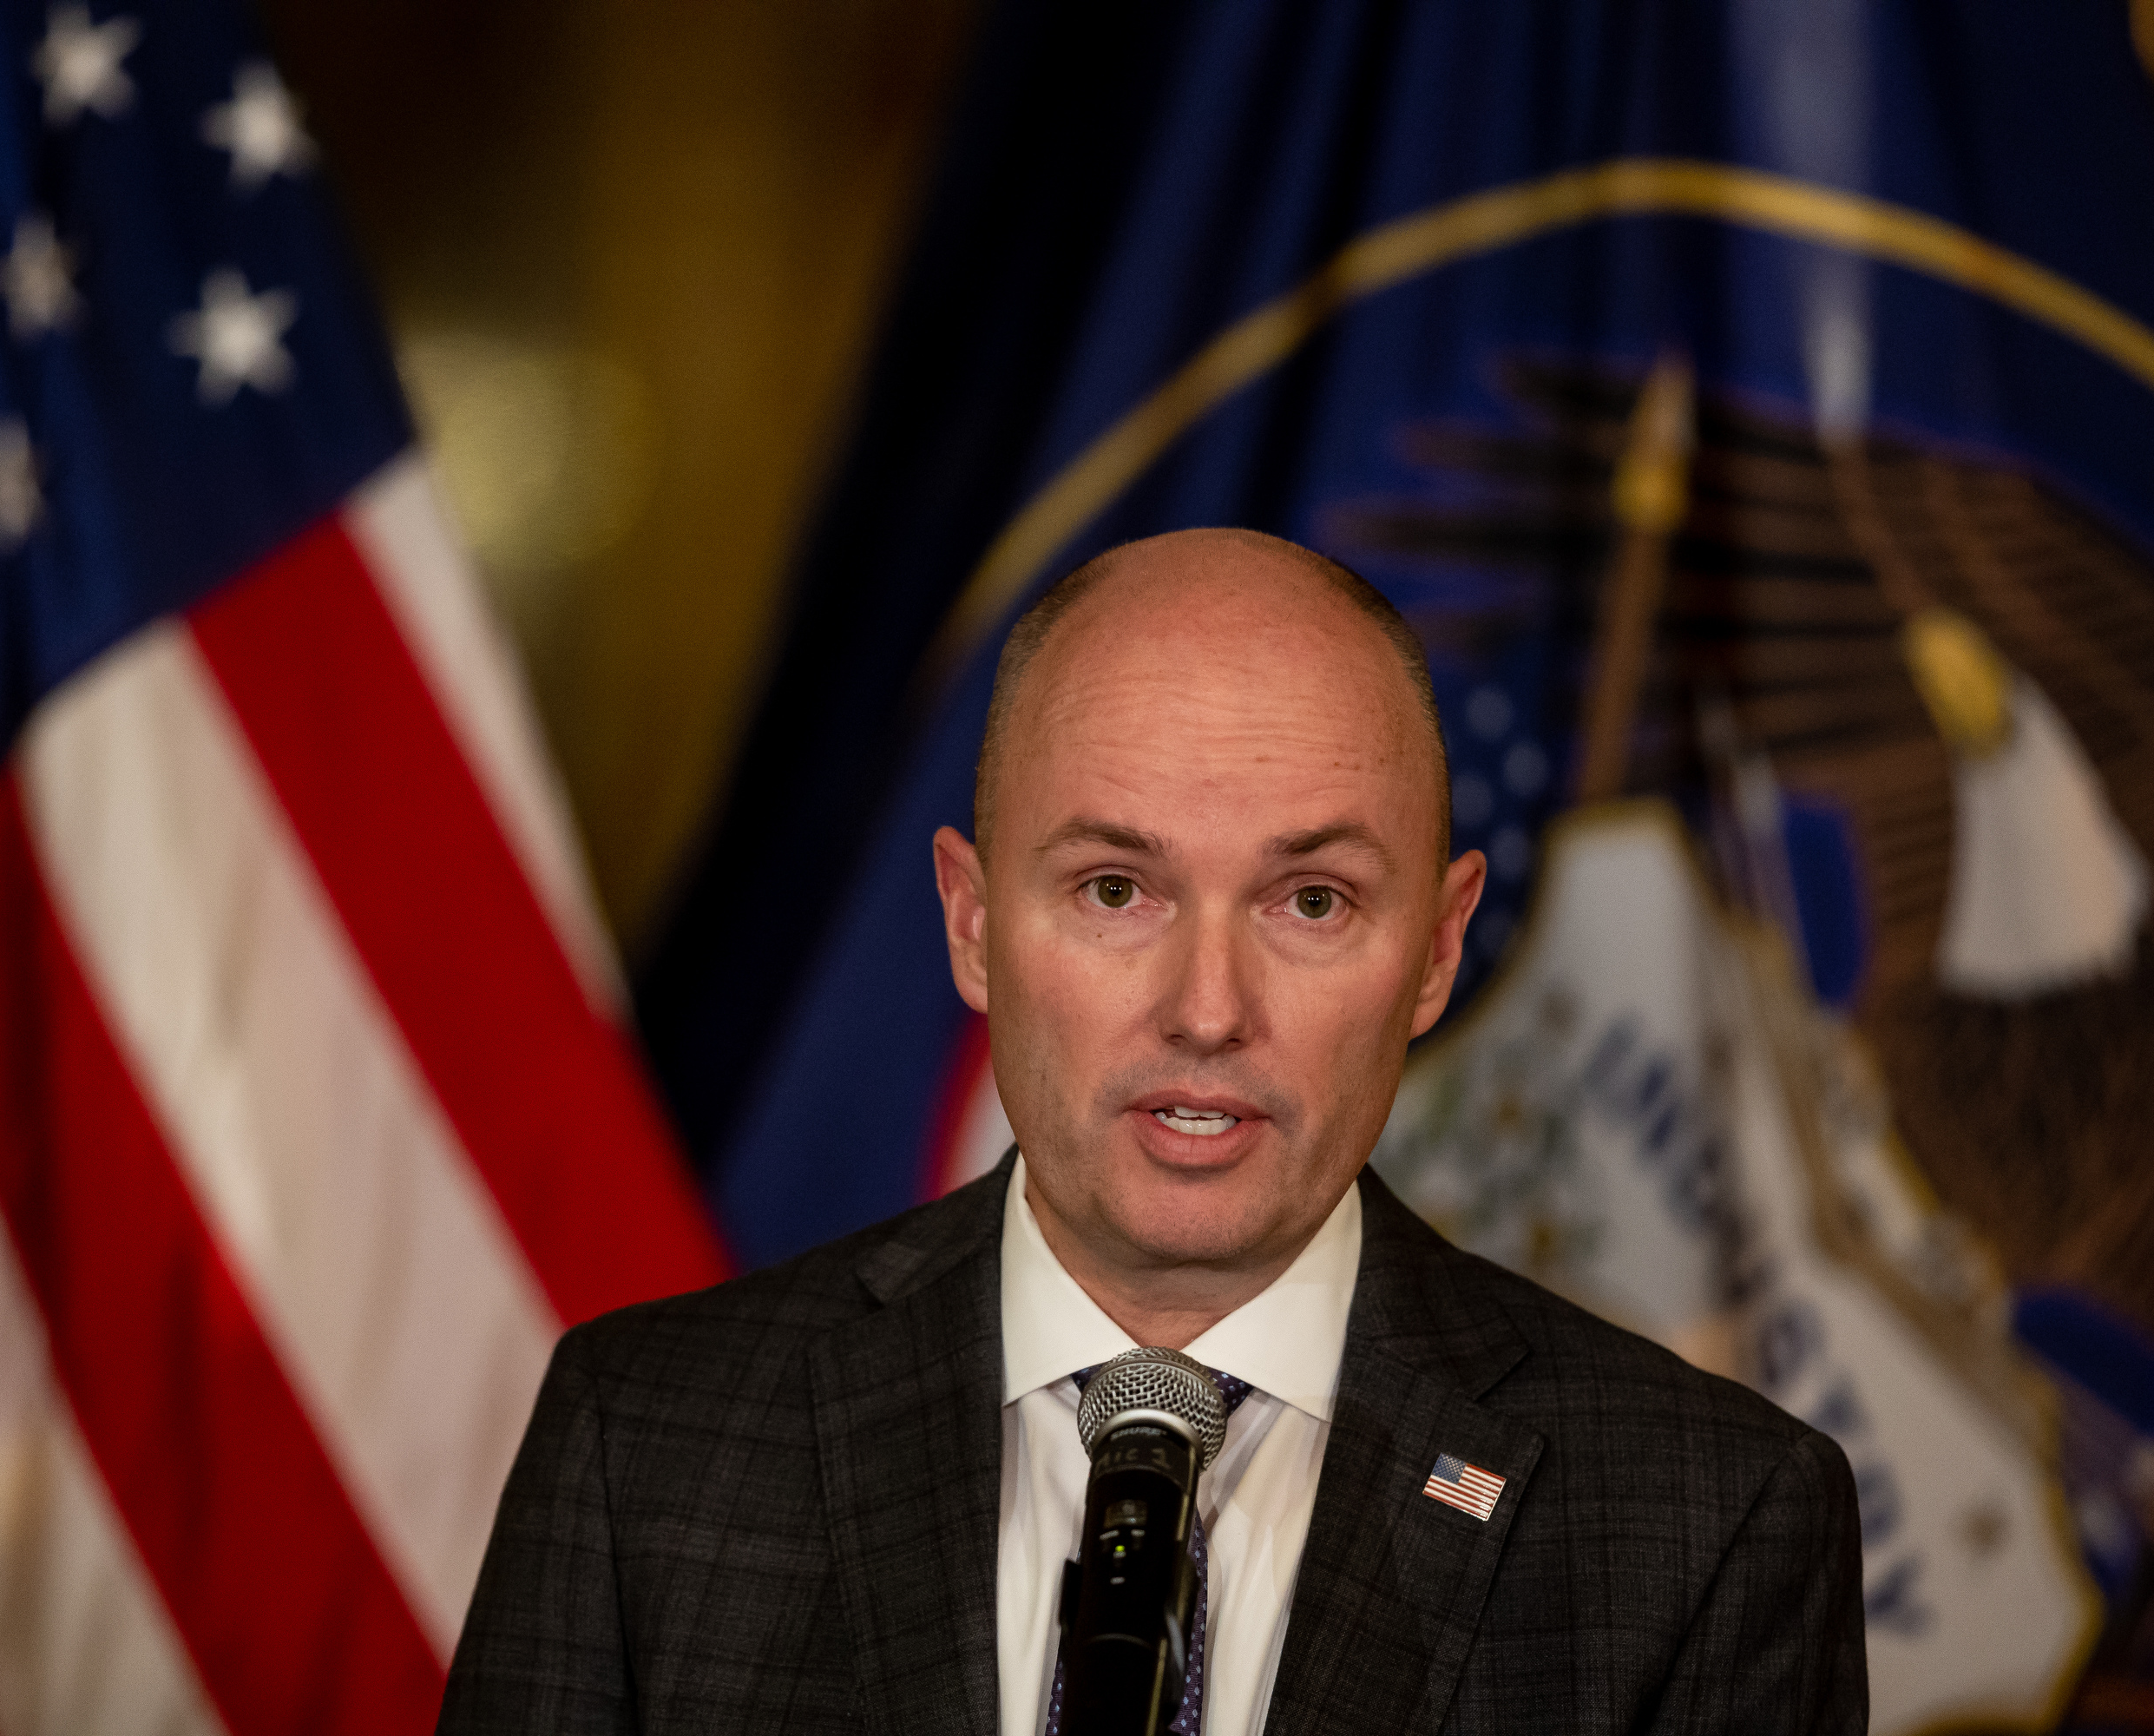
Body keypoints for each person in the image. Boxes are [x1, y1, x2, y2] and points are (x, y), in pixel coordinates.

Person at [438, 529, 1867, 1735]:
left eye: (1312, 902)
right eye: (1117, 890)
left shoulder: (1710, 1525)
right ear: (972, 924)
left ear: (1437, 951)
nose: (1207, 1010)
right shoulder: (648, 1448)